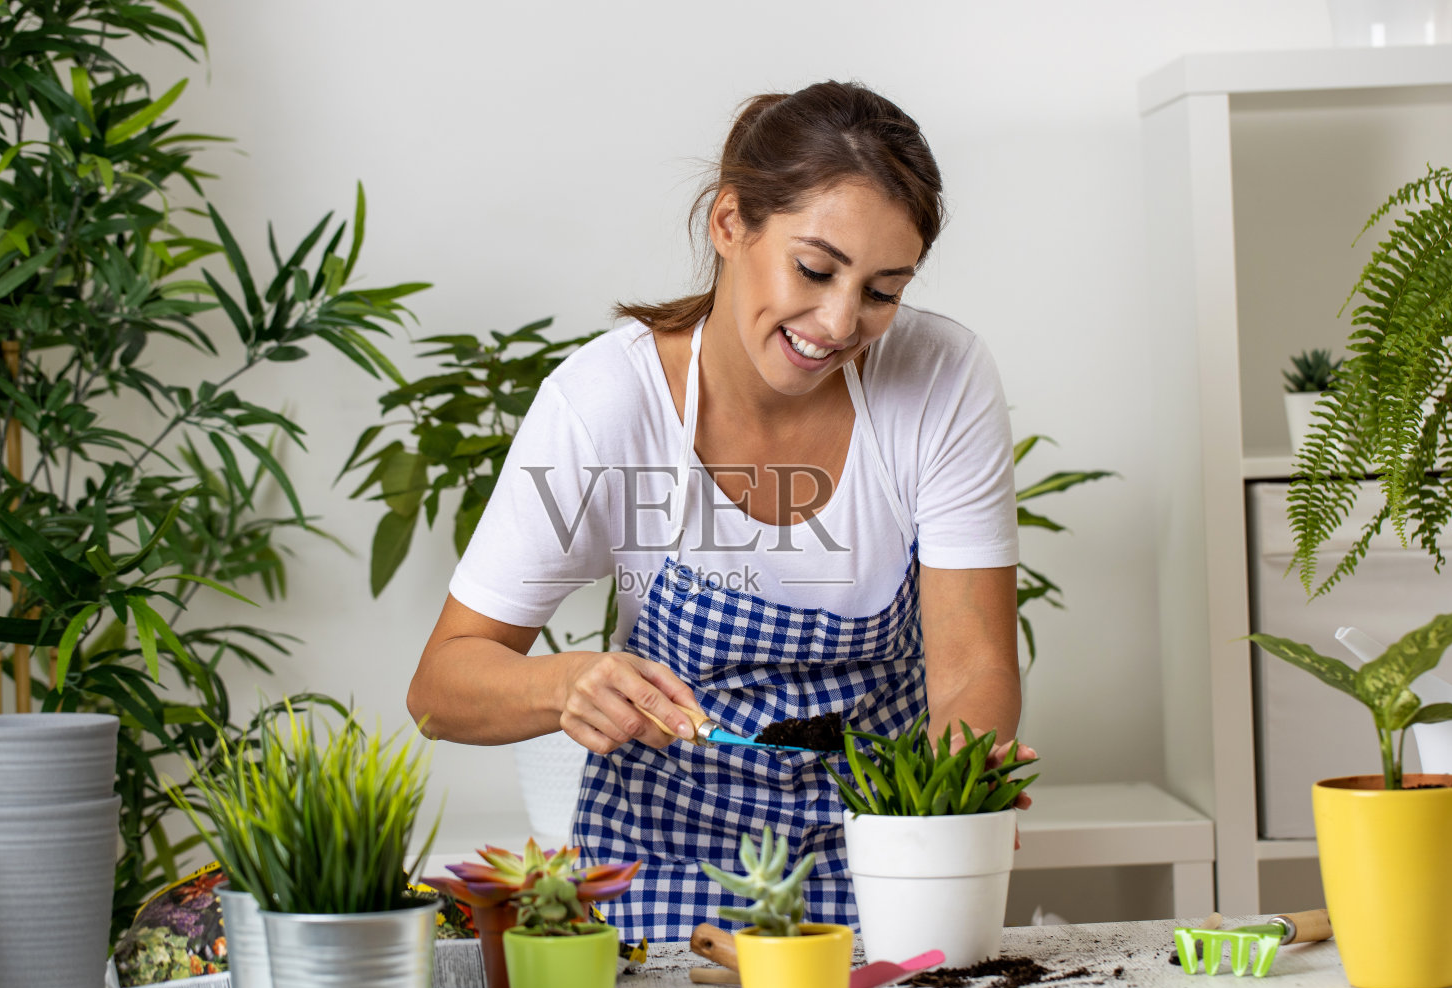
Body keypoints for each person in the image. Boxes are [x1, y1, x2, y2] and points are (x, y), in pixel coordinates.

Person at [409, 80, 1023, 942]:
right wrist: (565, 683)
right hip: (659, 864)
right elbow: (440, 688)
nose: (839, 321)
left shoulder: (941, 379)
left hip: (886, 852)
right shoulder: (606, 401)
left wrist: (954, 810)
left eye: (882, 291)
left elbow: (970, 669)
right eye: (815, 269)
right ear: (730, 223)